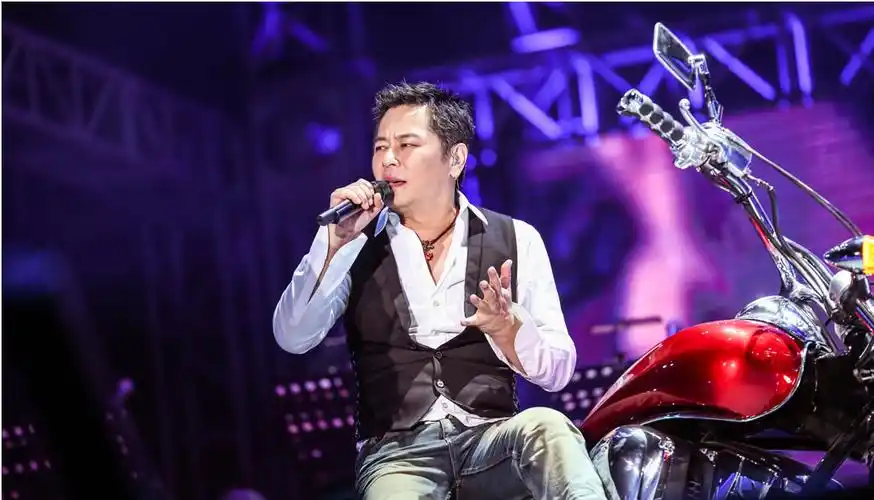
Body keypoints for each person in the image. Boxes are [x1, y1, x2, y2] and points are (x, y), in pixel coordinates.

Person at [273, 81, 608, 500]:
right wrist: (333, 244)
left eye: (407, 145)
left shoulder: (517, 238)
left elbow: (557, 372)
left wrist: (508, 328)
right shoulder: (353, 244)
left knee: (549, 427)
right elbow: (293, 336)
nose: (388, 160)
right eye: (380, 147)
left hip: (492, 441)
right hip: (398, 456)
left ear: (455, 159)